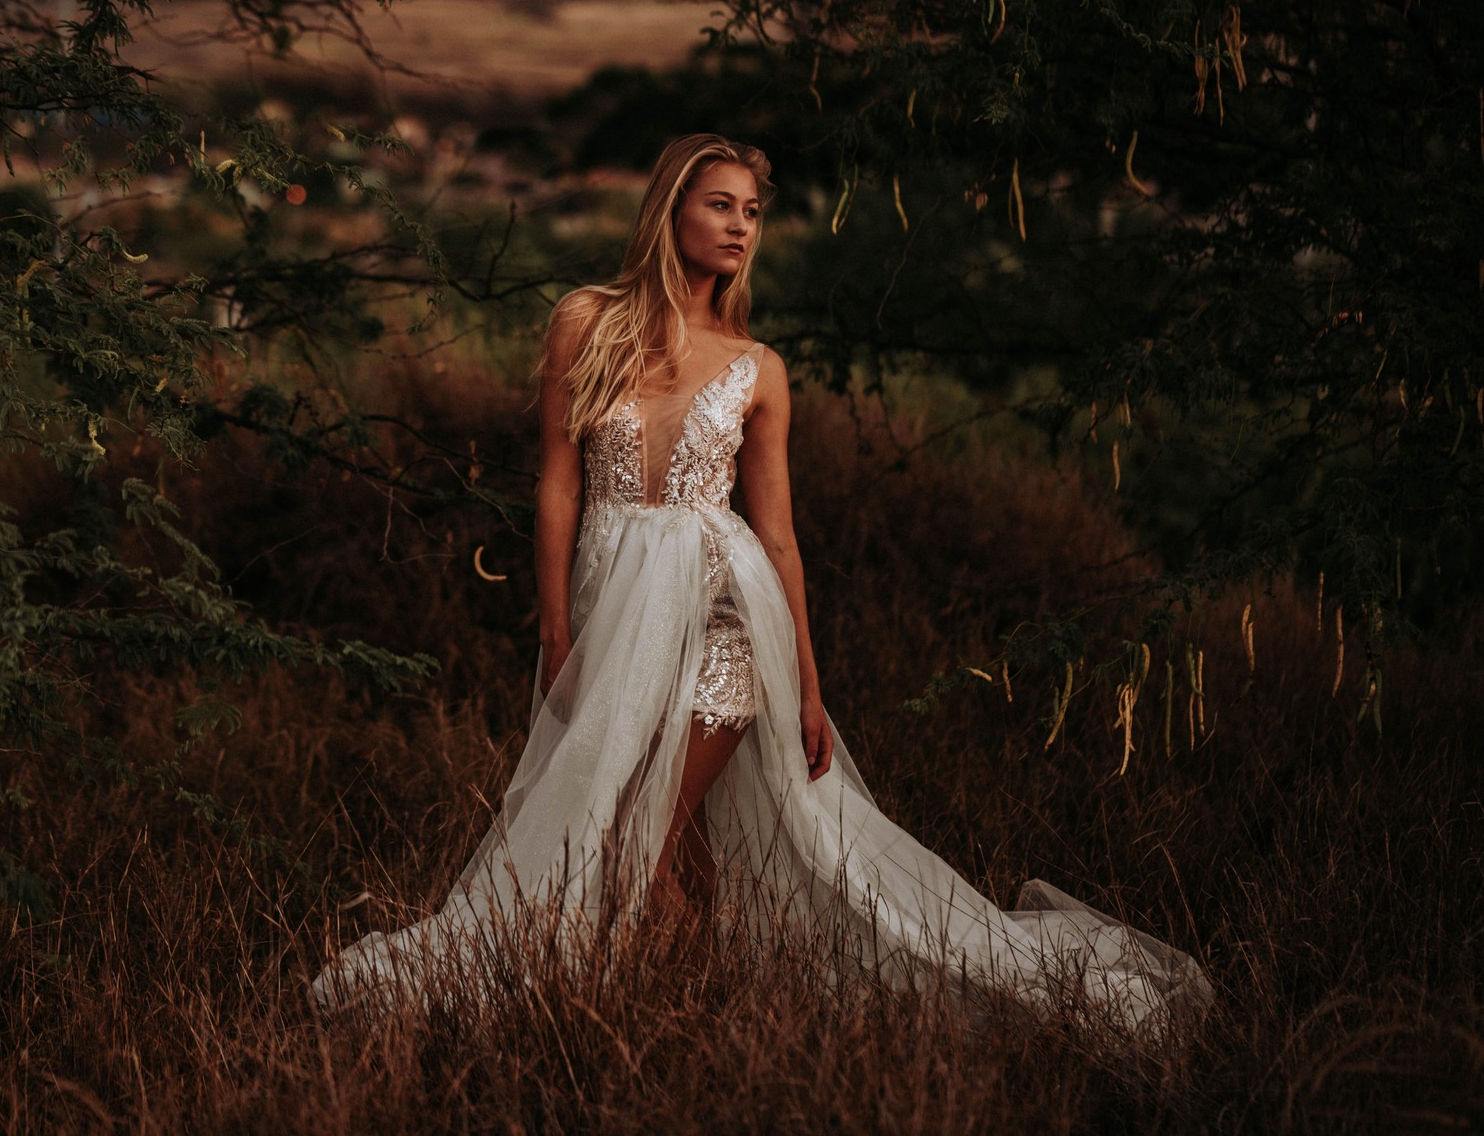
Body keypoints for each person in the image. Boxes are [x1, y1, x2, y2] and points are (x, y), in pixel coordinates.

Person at [312, 134, 1209, 1031]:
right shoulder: (584, 321)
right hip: (612, 620)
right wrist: (554, 635)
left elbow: (778, 539)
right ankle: (714, 998)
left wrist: (808, 686)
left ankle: (672, 1025)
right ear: (672, 208)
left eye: (752, 210)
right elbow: (558, 482)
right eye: (720, 204)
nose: (742, 226)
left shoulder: (759, 368)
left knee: (639, 838)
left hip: (727, 619)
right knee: (660, 833)